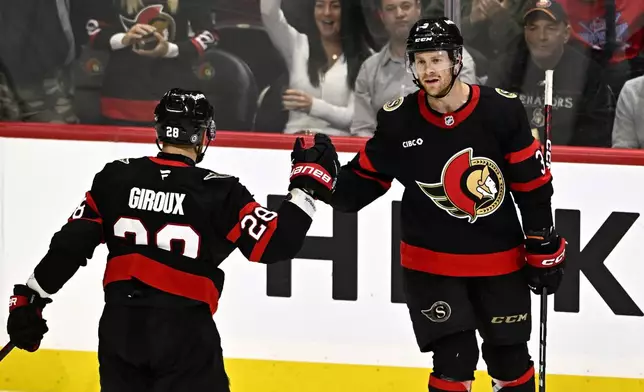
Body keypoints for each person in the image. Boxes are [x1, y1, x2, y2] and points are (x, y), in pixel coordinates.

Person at [6, 88, 340, 391]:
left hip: (120, 326)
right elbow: (274, 244)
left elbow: (70, 245)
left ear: (160, 130)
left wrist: (30, 299)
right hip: (183, 330)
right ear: (203, 136)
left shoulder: (115, 177)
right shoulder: (221, 190)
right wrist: (305, 188)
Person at [326, 17, 566, 391]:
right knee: (454, 361)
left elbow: (532, 187)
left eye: (436, 60)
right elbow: (357, 190)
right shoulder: (398, 120)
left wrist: (542, 244)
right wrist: (320, 177)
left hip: (498, 260)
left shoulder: (502, 111)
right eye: (420, 62)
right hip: (431, 264)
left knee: (510, 360)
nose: (428, 70)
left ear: (456, 60)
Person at [487, 0, 612, 147]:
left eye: (551, 28)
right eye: (533, 28)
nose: (541, 36)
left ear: (566, 33)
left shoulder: (587, 72)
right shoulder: (507, 68)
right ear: (526, 33)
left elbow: (597, 133)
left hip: (571, 162)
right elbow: (489, 122)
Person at [351, 0, 477, 137]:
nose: (399, 14)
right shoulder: (368, 70)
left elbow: (467, 119)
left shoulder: (455, 59)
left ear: (418, 8)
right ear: (382, 16)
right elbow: (362, 130)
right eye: (390, 9)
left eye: (405, 6)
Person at [260, 0, 374, 136]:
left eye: (335, 6)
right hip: (294, 144)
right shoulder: (297, 45)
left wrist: (312, 106)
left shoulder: (367, 59)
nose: (326, 12)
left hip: (337, 148)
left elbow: (356, 118)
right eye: (320, 5)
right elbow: (268, 12)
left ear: (347, 12)